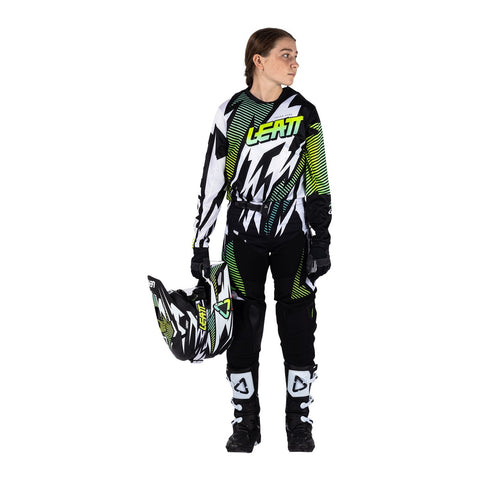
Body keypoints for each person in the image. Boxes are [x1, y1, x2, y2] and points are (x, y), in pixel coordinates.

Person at [191, 27, 332, 453]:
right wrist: (200, 244)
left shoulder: (304, 111)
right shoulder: (230, 113)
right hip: (242, 240)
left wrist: (321, 239)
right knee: (242, 330)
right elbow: (213, 181)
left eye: (296, 55)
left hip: (293, 237)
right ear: (259, 60)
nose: (295, 63)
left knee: (298, 327)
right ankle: (244, 422)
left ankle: (298, 422)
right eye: (286, 54)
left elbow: (318, 179)